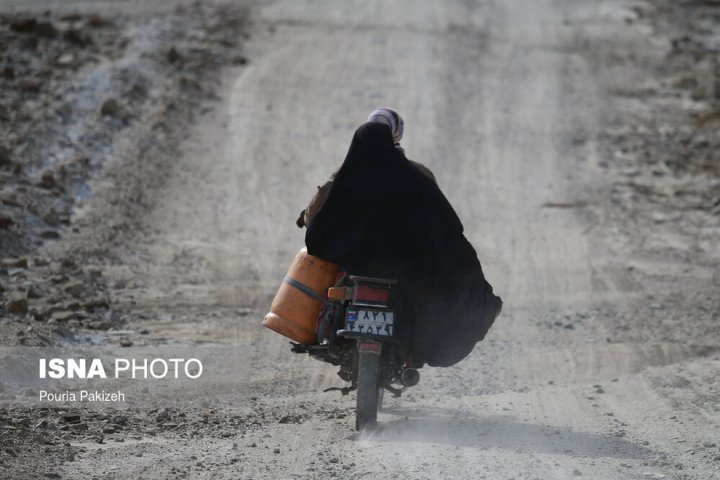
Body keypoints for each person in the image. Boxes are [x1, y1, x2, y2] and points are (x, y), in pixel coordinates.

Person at [298, 108, 502, 367]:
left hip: (357, 260)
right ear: (396, 135)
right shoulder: (417, 174)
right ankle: (414, 350)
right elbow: (439, 217)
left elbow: (317, 211)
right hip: (402, 264)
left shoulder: (345, 174)